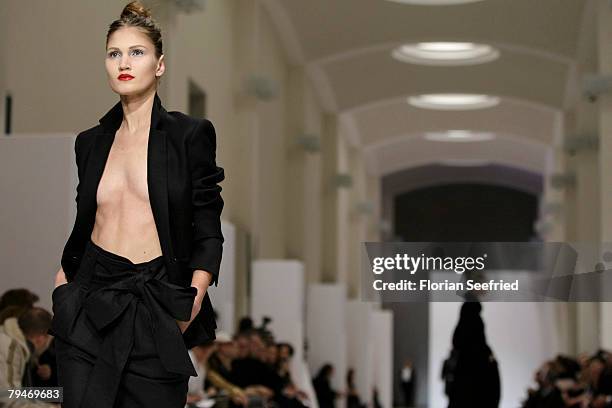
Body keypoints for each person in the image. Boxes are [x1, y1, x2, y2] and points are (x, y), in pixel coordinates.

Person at [48, 1, 225, 407]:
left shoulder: (189, 134)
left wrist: (191, 304)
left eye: (137, 52)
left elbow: (208, 229)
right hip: (88, 301)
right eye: (114, 53)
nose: (123, 63)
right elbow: (85, 220)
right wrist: (63, 289)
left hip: (156, 303)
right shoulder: (89, 142)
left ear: (159, 65)